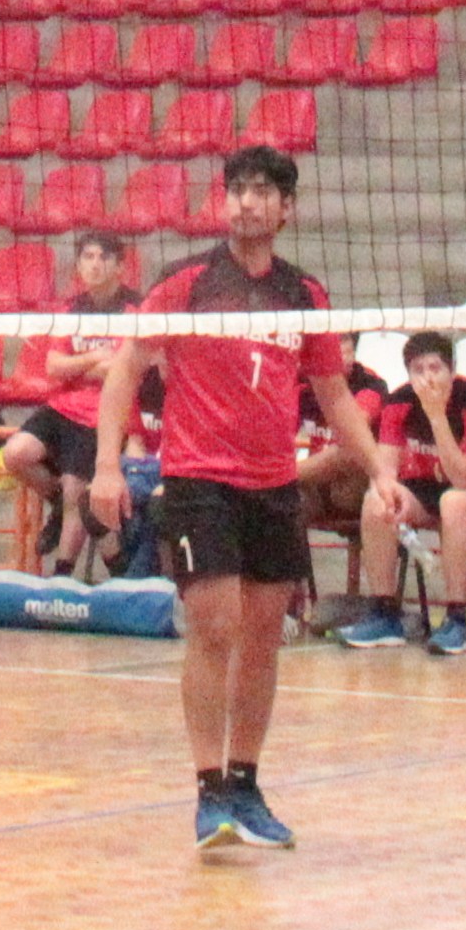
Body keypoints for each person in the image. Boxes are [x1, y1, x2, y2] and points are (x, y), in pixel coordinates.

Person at [91, 144, 382, 851]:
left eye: (261, 191)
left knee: (262, 637)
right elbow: (125, 370)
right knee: (214, 627)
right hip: (198, 479)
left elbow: (333, 393)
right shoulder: (188, 282)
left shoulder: (305, 295)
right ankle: (208, 790)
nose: (247, 202)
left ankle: (246, 785)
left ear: (287, 208)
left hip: (274, 484)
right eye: (237, 190)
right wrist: (105, 468)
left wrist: (381, 472)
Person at [335, 330, 466, 656]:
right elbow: (385, 471)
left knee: (454, 502)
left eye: (435, 368)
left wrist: (436, 416)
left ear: (452, 371)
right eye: (418, 370)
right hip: (428, 485)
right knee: (376, 500)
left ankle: (456, 620)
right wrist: (391, 500)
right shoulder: (399, 402)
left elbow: (462, 478)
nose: (428, 378)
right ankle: (386, 615)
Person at [0, 231, 142, 581]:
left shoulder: (134, 309)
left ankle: (62, 575)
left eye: (103, 257)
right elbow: (53, 366)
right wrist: (93, 358)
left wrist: (79, 366)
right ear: (78, 264)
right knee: (15, 454)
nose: (95, 265)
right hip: (62, 408)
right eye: (88, 257)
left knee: (77, 487)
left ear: (120, 266)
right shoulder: (70, 309)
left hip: (102, 414)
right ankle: (58, 504)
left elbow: (122, 368)